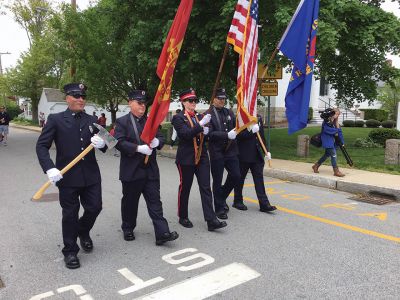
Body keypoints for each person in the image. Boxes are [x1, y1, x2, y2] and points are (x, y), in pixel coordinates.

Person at [36, 83, 106, 269]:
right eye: (76, 96)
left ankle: (82, 231)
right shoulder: (56, 119)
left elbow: (108, 143)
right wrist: (50, 168)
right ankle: (70, 251)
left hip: (91, 176)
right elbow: (41, 146)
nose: (80, 99)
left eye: (83, 96)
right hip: (67, 176)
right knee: (70, 214)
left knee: (95, 208)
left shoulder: (92, 119)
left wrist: (102, 144)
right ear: (67, 98)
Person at [114, 90, 178, 245]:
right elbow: (119, 142)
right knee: (130, 202)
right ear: (130, 103)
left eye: (144, 103)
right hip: (132, 170)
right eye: (139, 102)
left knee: (155, 201)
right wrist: (138, 148)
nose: (142, 106)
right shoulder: (122, 122)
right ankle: (128, 228)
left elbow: (161, 137)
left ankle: (162, 232)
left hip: (150, 169)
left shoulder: (151, 121)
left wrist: (158, 142)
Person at [171, 88, 227, 231]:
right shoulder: (178, 118)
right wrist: (201, 126)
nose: (193, 103)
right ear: (183, 102)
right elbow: (185, 134)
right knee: (186, 188)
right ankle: (183, 216)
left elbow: (205, 135)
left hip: (201, 155)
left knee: (206, 187)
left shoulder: (198, 116)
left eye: (195, 100)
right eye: (190, 101)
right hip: (186, 158)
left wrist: (206, 132)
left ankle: (211, 220)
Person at [208, 88, 241, 219]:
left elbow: (235, 126)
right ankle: (219, 208)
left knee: (236, 176)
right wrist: (226, 135)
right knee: (217, 180)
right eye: (220, 98)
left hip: (230, 151)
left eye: (224, 99)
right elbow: (210, 134)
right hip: (217, 152)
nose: (222, 101)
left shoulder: (228, 112)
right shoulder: (209, 114)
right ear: (214, 99)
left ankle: (221, 197)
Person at [233, 115, 277, 212]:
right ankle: (237, 200)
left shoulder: (258, 117)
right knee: (240, 179)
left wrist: (266, 151)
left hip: (256, 154)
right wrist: (250, 132)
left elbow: (261, 136)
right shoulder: (240, 117)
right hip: (244, 154)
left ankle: (264, 204)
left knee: (259, 180)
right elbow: (238, 135)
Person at [312, 108, 345, 177]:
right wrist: (336, 129)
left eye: (338, 115)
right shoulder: (326, 122)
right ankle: (336, 171)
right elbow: (329, 131)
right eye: (336, 114)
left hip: (333, 142)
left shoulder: (335, 123)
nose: (337, 116)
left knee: (326, 155)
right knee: (333, 154)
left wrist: (342, 142)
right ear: (332, 113)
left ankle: (316, 165)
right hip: (327, 141)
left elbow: (339, 133)